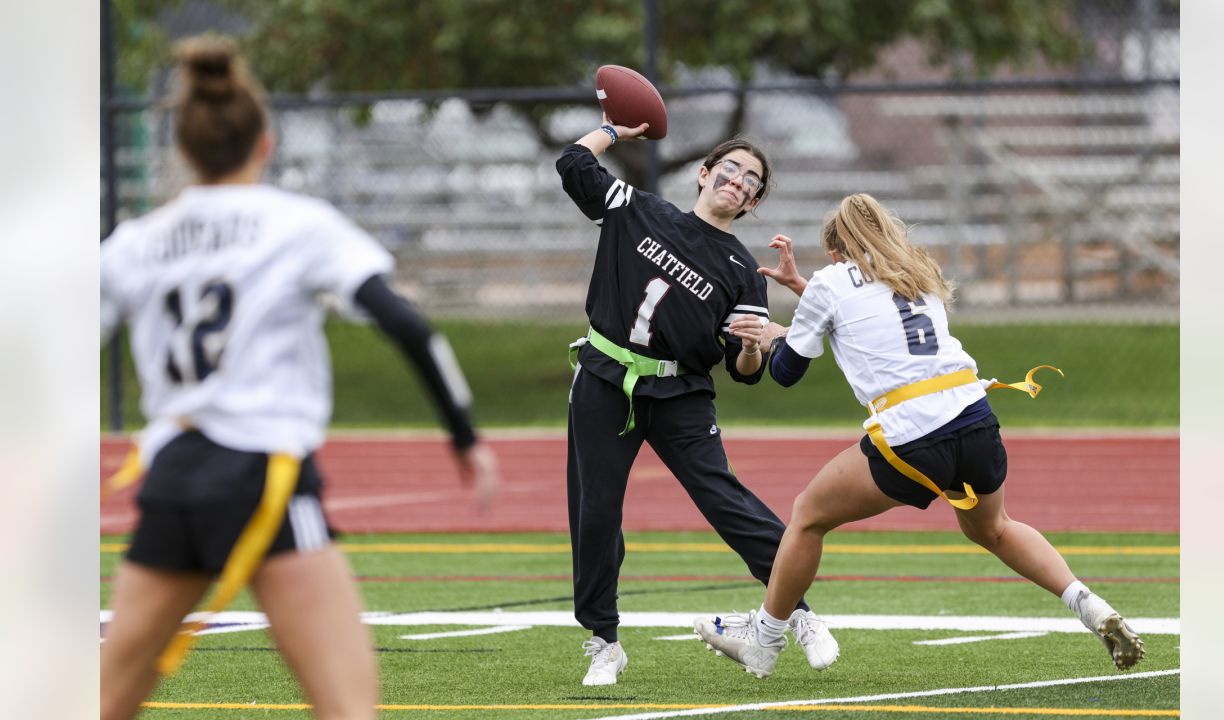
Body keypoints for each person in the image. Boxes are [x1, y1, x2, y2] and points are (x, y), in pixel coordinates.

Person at [98, 36, 500, 720]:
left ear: (183, 151)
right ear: (267, 143)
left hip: (172, 481)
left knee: (104, 700)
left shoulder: (137, 241)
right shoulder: (299, 225)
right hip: (263, 480)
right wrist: (465, 438)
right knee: (347, 708)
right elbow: (407, 326)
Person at [693, 193, 1144, 678]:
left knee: (807, 516)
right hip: (973, 416)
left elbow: (784, 374)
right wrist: (806, 294)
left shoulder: (829, 282)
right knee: (993, 528)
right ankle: (1088, 604)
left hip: (912, 434)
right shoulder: (915, 269)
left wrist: (775, 335)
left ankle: (764, 640)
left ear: (837, 251)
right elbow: (872, 315)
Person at [554, 118, 838, 686]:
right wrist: (613, 128)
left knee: (723, 497)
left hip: (680, 389)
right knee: (596, 512)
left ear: (753, 202)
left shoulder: (740, 271)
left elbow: (744, 370)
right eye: (729, 168)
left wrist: (755, 349)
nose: (738, 180)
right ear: (704, 174)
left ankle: (797, 612)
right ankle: (604, 641)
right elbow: (572, 165)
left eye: (751, 180)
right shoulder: (639, 209)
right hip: (607, 377)